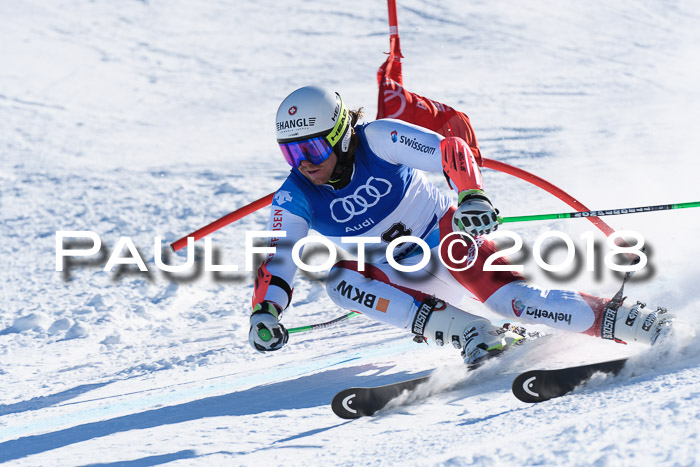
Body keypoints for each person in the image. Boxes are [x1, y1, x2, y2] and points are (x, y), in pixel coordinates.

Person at [248, 85, 673, 363]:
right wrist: (264, 311)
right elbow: (278, 260)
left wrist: (472, 194)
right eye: (291, 154)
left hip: (445, 239)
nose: (303, 164)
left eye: (312, 148)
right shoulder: (295, 195)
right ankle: (475, 334)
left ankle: (635, 321)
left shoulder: (379, 139)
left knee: (514, 302)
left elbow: (449, 150)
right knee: (341, 282)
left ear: (341, 134)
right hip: (399, 275)